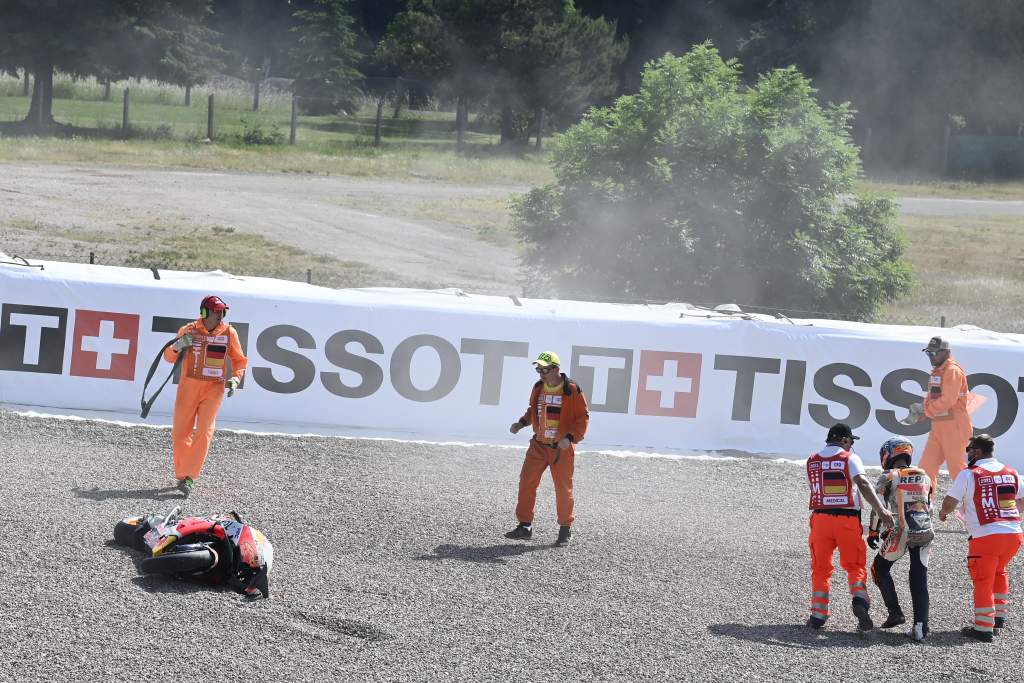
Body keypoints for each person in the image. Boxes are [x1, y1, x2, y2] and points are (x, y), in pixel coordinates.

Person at [806, 423, 894, 632]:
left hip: (820, 520)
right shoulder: (849, 458)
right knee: (855, 566)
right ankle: (860, 601)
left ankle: (818, 615)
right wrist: (881, 510)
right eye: (851, 441)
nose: (852, 445)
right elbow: (862, 484)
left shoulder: (812, 460)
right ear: (844, 439)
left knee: (820, 568)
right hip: (846, 519)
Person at [939, 433, 1024, 642]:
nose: (967, 454)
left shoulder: (970, 474)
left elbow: (950, 501)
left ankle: (984, 628)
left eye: (969, 450)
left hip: (986, 536)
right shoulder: (1011, 472)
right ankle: (999, 618)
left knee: (983, 579)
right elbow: (1021, 502)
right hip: (1013, 534)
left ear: (976, 451)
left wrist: (943, 512)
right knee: (999, 571)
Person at [163, 295, 247, 497]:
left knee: (204, 431)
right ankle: (183, 474)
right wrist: (178, 346)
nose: (220, 316)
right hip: (188, 389)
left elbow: (239, 361)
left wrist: (235, 379)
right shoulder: (188, 330)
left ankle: (189, 476)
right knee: (180, 433)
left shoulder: (229, 332)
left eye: (222, 312)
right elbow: (168, 357)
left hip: (213, 390)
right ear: (204, 313)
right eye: (216, 312)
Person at [506, 351, 589, 546]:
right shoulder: (538, 387)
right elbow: (533, 410)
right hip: (538, 445)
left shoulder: (571, 389)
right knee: (526, 481)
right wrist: (521, 423)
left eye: (545, 369)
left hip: (561, 449)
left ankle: (565, 529)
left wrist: (570, 438)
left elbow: (582, 418)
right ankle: (525, 526)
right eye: (538, 369)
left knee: (563, 488)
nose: (541, 373)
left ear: (556, 369)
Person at [867, 437, 934, 641]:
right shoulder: (925, 476)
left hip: (901, 531)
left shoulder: (888, 475)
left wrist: (873, 532)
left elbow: (878, 507)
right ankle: (921, 627)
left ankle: (895, 612)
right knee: (919, 577)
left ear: (888, 454)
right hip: (925, 530)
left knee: (878, 569)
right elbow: (929, 506)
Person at [909, 336, 973, 489]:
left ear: (946, 352)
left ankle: (973, 506)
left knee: (957, 470)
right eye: (928, 353)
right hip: (939, 427)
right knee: (925, 468)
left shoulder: (952, 371)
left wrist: (928, 410)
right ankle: (924, 504)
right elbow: (932, 396)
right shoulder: (938, 371)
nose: (931, 357)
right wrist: (924, 409)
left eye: (934, 353)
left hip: (955, 428)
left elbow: (949, 400)